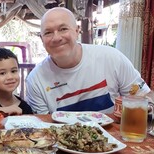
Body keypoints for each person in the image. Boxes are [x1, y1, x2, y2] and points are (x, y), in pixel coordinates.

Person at [26, 7, 154, 114]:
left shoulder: (110, 57)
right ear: (42, 39)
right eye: (48, 32)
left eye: (63, 29)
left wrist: (145, 108)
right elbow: (44, 128)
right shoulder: (35, 80)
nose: (56, 37)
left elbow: (144, 96)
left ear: (76, 31)